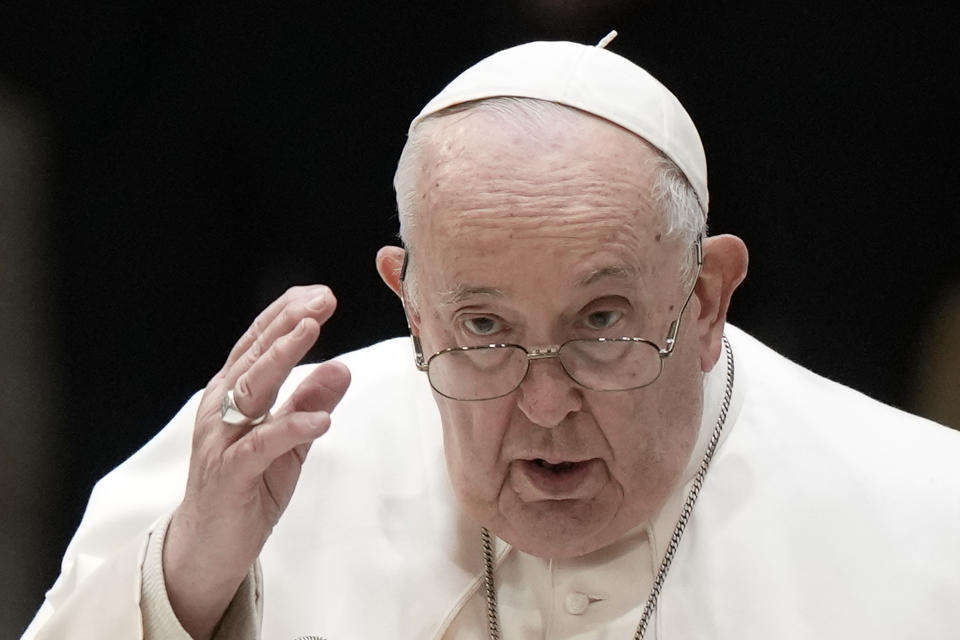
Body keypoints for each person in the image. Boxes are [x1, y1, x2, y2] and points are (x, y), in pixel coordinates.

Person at [22, 36, 960, 640]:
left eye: (601, 323)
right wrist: (188, 582)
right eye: (483, 329)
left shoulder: (926, 514)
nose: (546, 403)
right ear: (410, 304)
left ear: (706, 298)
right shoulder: (264, 468)